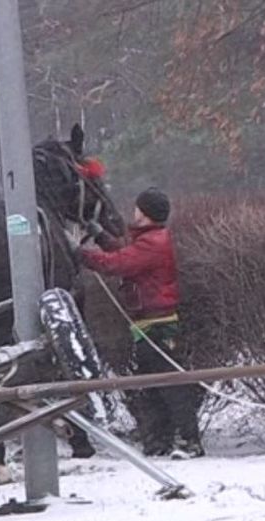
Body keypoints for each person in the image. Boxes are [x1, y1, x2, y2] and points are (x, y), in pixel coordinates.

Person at [76, 187, 204, 458]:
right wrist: (100, 236)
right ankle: (160, 441)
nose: (133, 212)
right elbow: (126, 253)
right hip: (146, 325)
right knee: (153, 385)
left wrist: (81, 254)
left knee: (170, 383)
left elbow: (119, 263)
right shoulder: (150, 239)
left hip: (157, 325)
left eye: (137, 208)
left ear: (144, 213)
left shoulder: (153, 243)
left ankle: (189, 440)